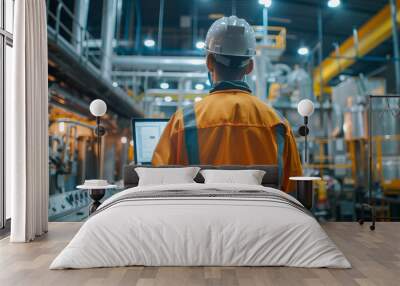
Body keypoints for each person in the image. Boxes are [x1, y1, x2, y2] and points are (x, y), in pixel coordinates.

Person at [152, 16, 302, 193]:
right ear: (250, 67)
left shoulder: (182, 121)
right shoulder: (277, 123)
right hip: (263, 219)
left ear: (209, 62)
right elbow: (295, 191)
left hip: (199, 219)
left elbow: (159, 184)